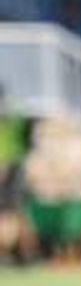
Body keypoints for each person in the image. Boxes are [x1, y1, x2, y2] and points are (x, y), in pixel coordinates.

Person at [0, 82, 39, 265]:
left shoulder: (7, 117)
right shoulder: (17, 114)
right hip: (17, 166)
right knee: (19, 213)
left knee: (9, 214)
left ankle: (9, 254)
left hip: (10, 168)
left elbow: (8, 147)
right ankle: (27, 254)